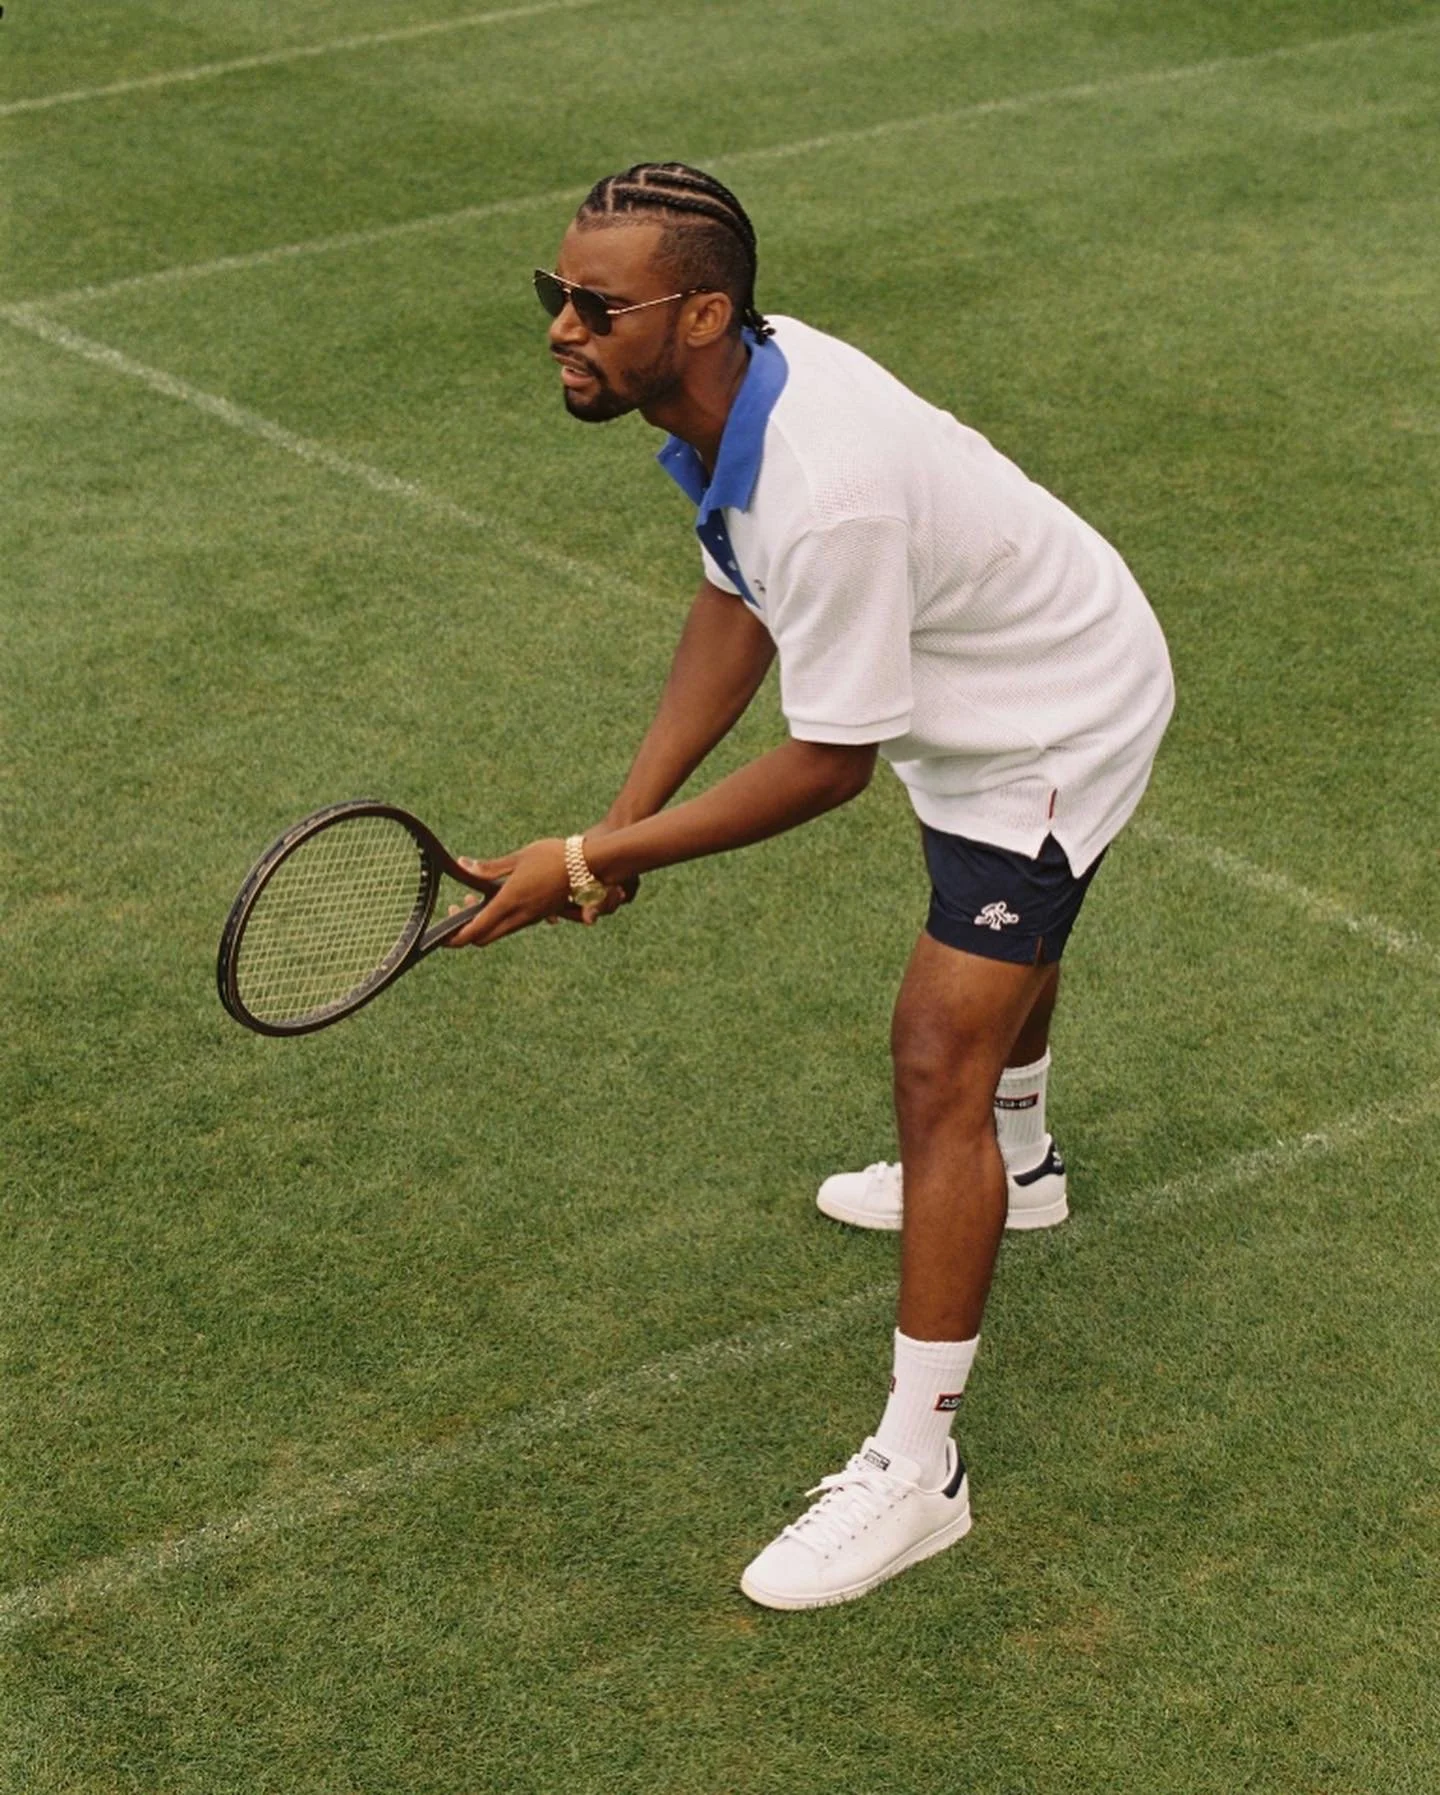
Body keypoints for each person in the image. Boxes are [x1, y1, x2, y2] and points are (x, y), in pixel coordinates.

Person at [449, 162, 1174, 1610]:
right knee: (996, 952)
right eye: (556, 294)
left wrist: (591, 861)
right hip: (984, 686)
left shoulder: (821, 490)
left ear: (703, 311)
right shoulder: (743, 398)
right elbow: (740, 595)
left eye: (597, 304)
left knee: (933, 1048)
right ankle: (1019, 1167)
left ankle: (920, 1473)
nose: (561, 325)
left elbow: (825, 762)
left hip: (1051, 720)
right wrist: (624, 816)